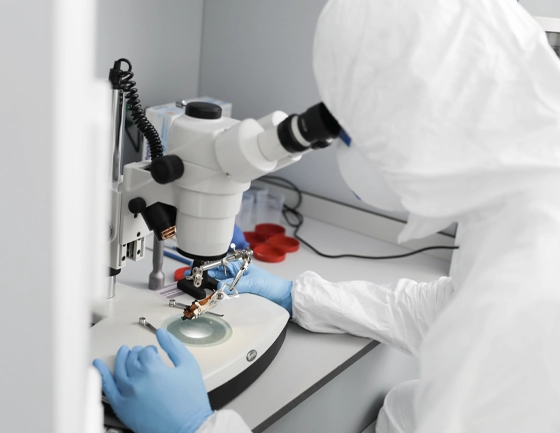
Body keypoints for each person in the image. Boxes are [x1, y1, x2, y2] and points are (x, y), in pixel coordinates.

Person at [94, 0, 560, 432]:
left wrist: (196, 427)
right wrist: (298, 295)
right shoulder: (520, 207)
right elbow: (450, 312)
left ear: (423, 123)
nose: (340, 145)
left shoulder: (529, 294)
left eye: (349, 127)